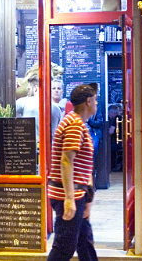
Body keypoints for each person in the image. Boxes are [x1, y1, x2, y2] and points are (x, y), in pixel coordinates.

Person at [47, 83, 98, 261]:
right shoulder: (74, 124)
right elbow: (67, 160)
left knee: (85, 244)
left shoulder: (77, 123)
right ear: (88, 101)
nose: (96, 103)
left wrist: (88, 197)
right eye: (95, 100)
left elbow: (83, 164)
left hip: (77, 193)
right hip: (68, 194)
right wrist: (69, 199)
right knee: (64, 248)